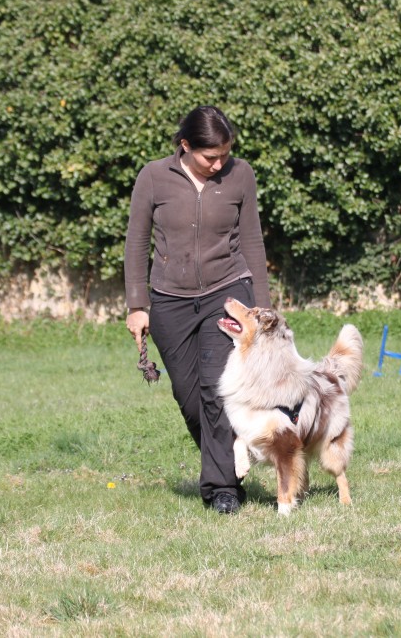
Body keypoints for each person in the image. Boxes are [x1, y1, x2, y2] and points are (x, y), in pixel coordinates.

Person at [124, 105, 270, 515]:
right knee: (189, 398)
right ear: (185, 146)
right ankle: (229, 466)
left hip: (227, 292)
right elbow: (136, 243)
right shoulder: (153, 177)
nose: (219, 163)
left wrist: (262, 309)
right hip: (169, 299)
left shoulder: (240, 175)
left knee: (214, 390)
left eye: (225, 154)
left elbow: (252, 241)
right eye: (210, 157)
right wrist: (138, 305)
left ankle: (222, 489)